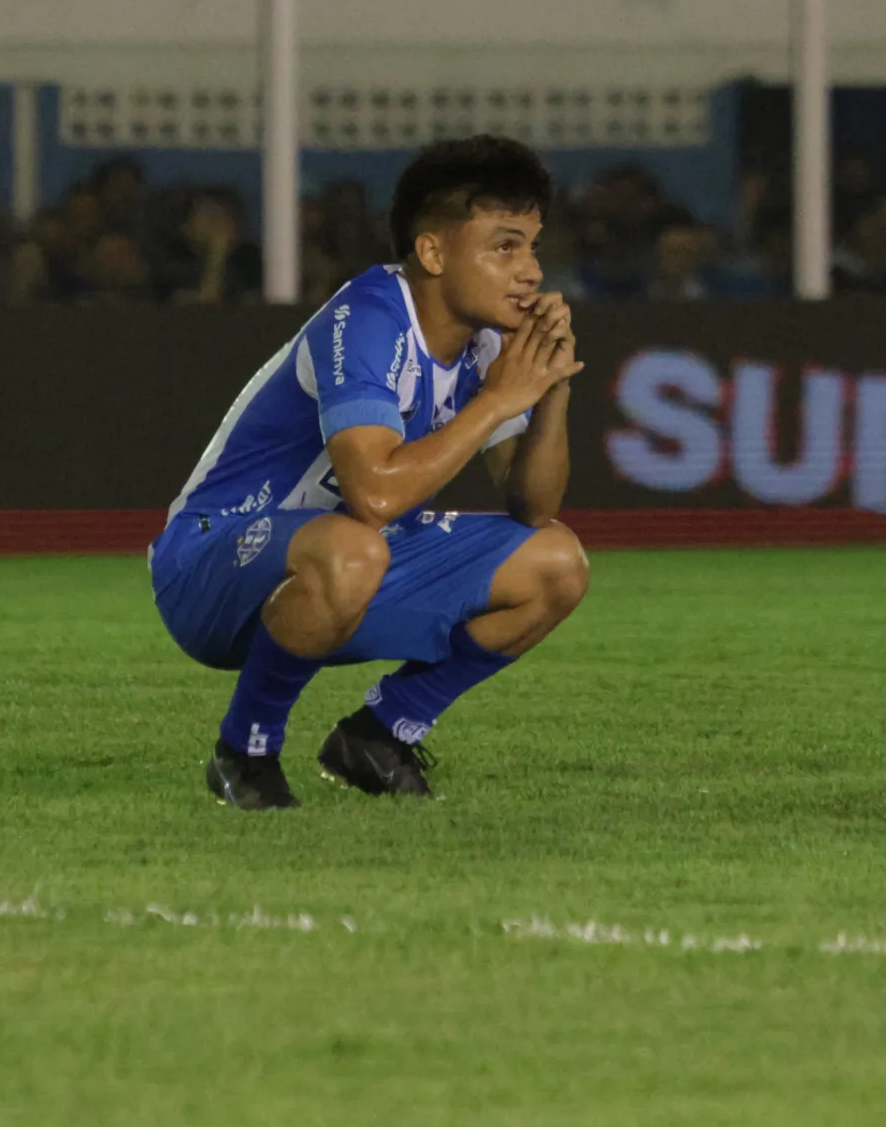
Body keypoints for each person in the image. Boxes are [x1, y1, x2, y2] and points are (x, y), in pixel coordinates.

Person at [151, 134, 590, 812]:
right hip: (211, 559)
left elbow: (532, 506)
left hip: (348, 559)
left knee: (558, 562)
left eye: (531, 245)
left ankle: (378, 734)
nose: (530, 269)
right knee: (355, 544)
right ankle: (246, 751)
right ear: (433, 251)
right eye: (504, 246)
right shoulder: (368, 317)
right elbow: (376, 492)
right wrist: (502, 399)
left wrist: (548, 386)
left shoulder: (483, 342)